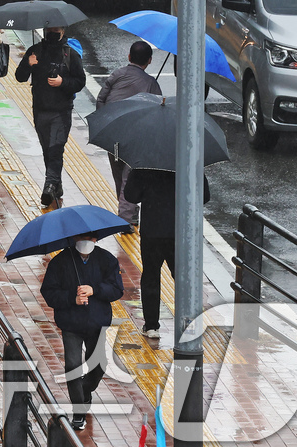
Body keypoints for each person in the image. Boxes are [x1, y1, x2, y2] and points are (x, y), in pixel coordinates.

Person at [39, 234, 124, 429]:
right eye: (82, 237)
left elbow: (117, 289)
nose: (87, 240)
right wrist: (71, 298)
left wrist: (95, 290)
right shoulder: (60, 262)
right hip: (71, 324)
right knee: (72, 366)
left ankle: (85, 391)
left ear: (96, 238)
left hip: (97, 322)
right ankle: (78, 411)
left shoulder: (107, 259)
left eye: (90, 237)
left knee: (98, 365)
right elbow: (49, 292)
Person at [124, 168, 209, 340]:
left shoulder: (145, 164)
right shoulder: (188, 157)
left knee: (151, 276)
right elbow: (205, 196)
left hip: (152, 230)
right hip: (179, 231)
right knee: (183, 278)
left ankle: (151, 326)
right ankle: (187, 321)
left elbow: (131, 195)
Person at [15, 26, 87, 206]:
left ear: (63, 31)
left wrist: (63, 82)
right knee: (47, 149)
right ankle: (57, 185)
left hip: (61, 111)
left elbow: (80, 82)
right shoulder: (35, 51)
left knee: (56, 149)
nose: (52, 32)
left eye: (56, 29)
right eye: (50, 28)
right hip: (40, 109)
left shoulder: (70, 54)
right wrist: (27, 63)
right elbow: (20, 77)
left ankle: (48, 186)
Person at [96, 40, 162, 223]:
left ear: (129, 57)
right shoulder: (151, 83)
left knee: (119, 175)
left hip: (113, 133)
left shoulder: (117, 75)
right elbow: (158, 111)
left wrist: (106, 122)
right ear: (149, 61)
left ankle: (129, 214)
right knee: (128, 176)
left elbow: (101, 99)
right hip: (136, 136)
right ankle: (126, 218)